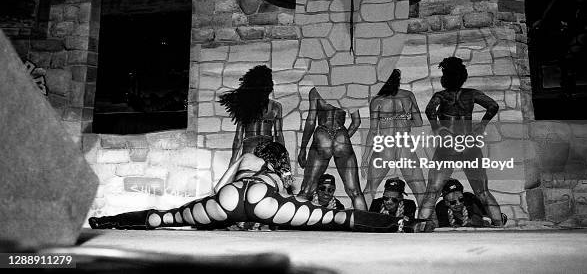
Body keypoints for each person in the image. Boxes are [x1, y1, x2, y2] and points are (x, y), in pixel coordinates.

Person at [89, 142, 422, 233]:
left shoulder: (248, 158)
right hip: (267, 199)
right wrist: (282, 214)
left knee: (167, 217)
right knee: (336, 219)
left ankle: (106, 222)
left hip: (228, 198)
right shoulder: (279, 167)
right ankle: (404, 224)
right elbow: (287, 194)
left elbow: (221, 185)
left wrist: (223, 203)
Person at [417, 57, 504, 229]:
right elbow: (493, 106)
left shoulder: (441, 96)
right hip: (468, 144)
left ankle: (419, 227)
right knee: (483, 192)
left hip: (448, 145)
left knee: (432, 191)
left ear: (445, 78)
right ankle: (500, 226)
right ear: (462, 76)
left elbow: (429, 111)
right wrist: (482, 125)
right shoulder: (471, 94)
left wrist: (439, 129)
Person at [362, 69, 426, 207]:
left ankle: (360, 220)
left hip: (386, 146)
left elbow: (373, 131)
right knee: (420, 191)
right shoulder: (408, 96)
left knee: (370, 189)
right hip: (405, 146)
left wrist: (364, 158)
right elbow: (419, 122)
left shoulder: (377, 101)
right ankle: (428, 222)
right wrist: (402, 119)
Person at [298, 87, 367, 210]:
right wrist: (344, 140)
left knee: (307, 189)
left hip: (322, 135)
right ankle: (366, 226)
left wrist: (303, 148)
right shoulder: (349, 90)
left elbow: (310, 121)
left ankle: (293, 224)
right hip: (341, 135)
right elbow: (356, 122)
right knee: (355, 191)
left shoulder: (316, 91)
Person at [219, 65, 285, 164]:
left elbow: (238, 137)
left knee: (231, 178)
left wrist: (233, 160)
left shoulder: (245, 105)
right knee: (282, 176)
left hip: (249, 150)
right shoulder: (276, 107)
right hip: (267, 151)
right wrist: (283, 158)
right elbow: (278, 135)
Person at [435, 179, 505, 228]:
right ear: (446, 202)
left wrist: (479, 221)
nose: (458, 203)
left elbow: (486, 218)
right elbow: (444, 227)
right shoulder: (441, 208)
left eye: (461, 199)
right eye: (453, 202)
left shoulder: (469, 199)